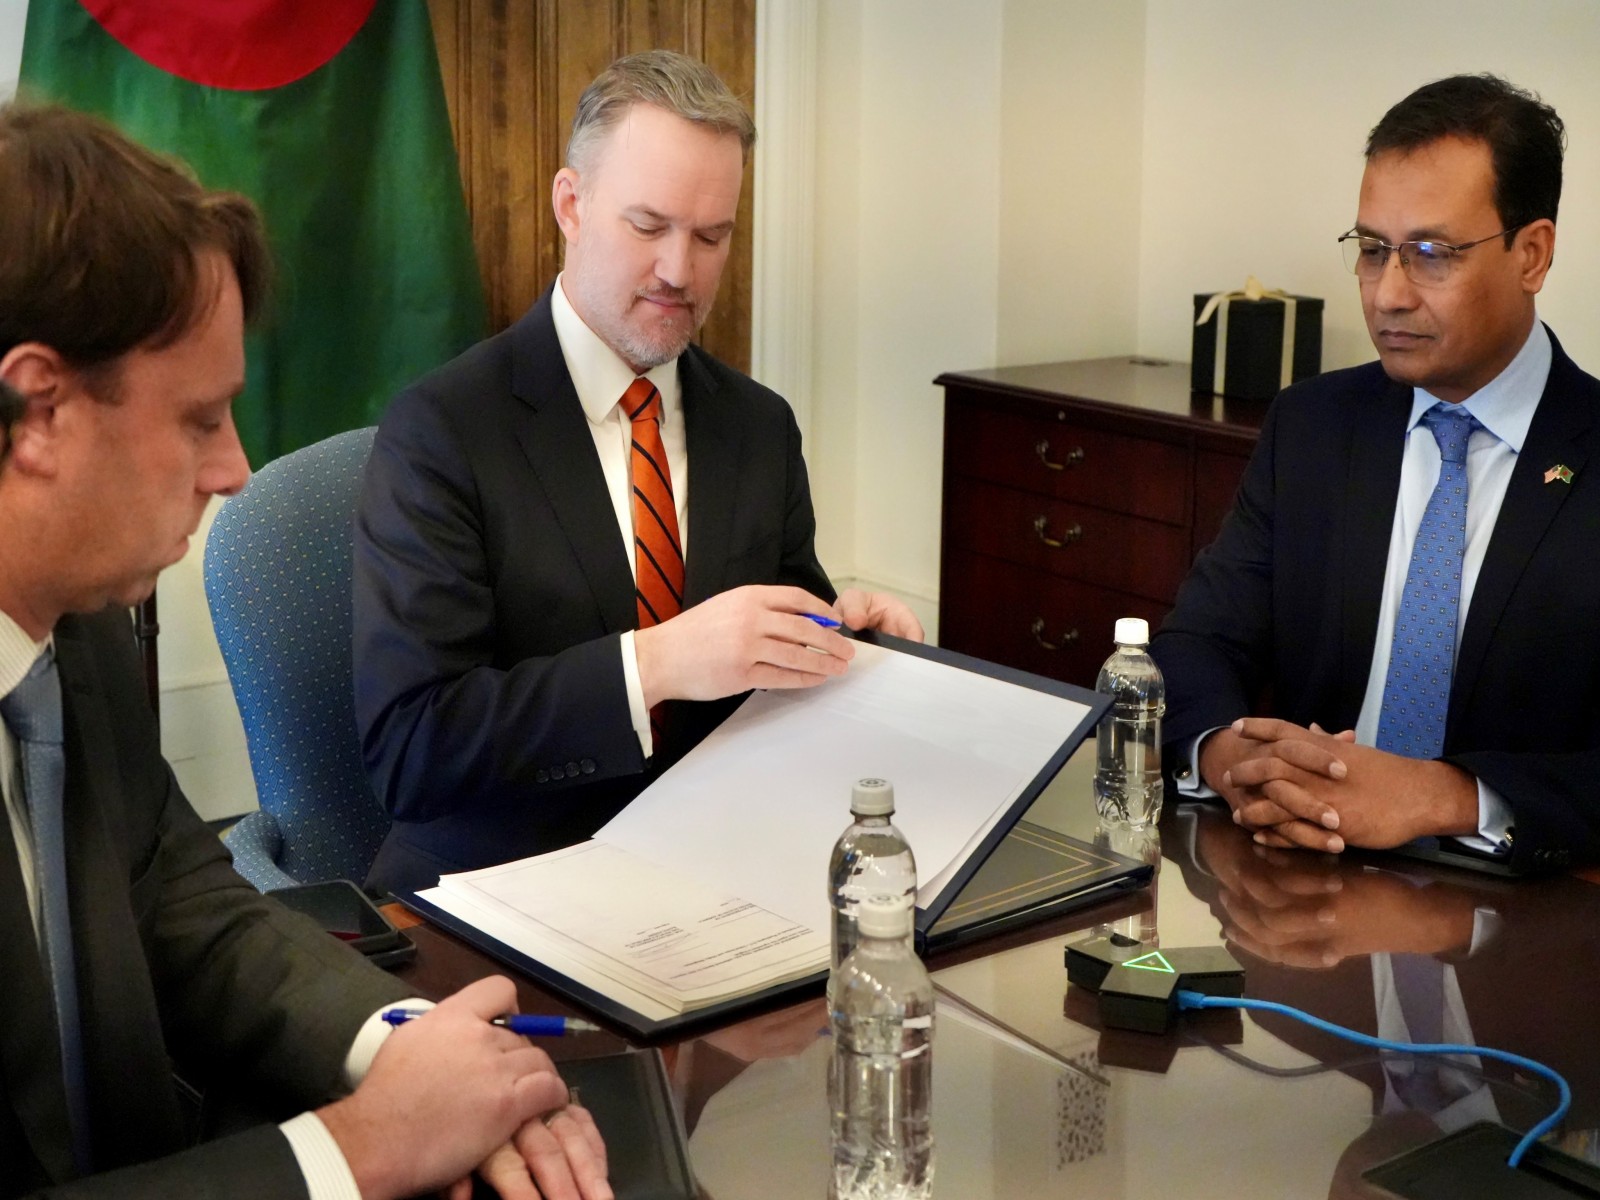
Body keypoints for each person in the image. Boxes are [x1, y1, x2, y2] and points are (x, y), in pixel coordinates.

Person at [0, 104, 608, 1200]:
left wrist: (400, 1046)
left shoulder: (69, 629)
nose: (236, 470)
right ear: (40, 409)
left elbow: (181, 895)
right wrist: (362, 1148)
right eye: (199, 420)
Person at [354, 50, 922, 895]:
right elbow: (414, 749)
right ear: (571, 206)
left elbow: (767, 700)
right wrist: (654, 664)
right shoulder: (442, 431)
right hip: (503, 890)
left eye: (711, 236)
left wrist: (838, 643)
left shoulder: (759, 428)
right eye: (649, 226)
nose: (679, 272)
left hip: (719, 880)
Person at [1151, 73, 1600, 874]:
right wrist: (1232, 760)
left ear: (1531, 254)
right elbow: (1196, 643)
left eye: (1431, 254)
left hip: (1523, 918)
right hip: (1298, 879)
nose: (1388, 294)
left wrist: (1442, 796)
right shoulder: (1314, 426)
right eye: (1371, 250)